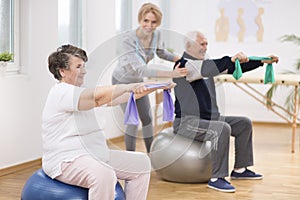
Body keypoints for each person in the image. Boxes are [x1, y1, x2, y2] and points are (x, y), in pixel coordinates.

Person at [42, 44, 176, 199]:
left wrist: (154, 86)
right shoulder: (61, 93)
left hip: (96, 155)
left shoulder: (82, 91)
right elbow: (98, 98)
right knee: (104, 174)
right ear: (62, 71)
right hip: (66, 159)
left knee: (141, 163)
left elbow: (121, 97)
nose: (84, 71)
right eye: (78, 66)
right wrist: (129, 86)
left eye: (84, 66)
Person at [172, 31, 279, 192]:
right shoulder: (183, 65)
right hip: (186, 123)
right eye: (202, 44)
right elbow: (210, 66)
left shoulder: (205, 66)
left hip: (210, 119)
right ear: (188, 46)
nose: (205, 47)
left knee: (243, 123)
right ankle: (216, 178)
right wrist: (230, 59)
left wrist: (261, 61)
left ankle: (240, 170)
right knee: (221, 129)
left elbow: (230, 67)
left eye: (206, 43)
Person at [112, 3, 187, 153]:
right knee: (132, 121)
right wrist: (171, 74)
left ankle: (151, 155)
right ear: (140, 19)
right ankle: (130, 158)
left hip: (138, 82)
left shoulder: (156, 35)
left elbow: (161, 53)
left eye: (153, 22)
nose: (149, 25)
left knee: (147, 119)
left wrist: (181, 59)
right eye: (146, 21)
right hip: (123, 82)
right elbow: (141, 70)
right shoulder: (127, 40)